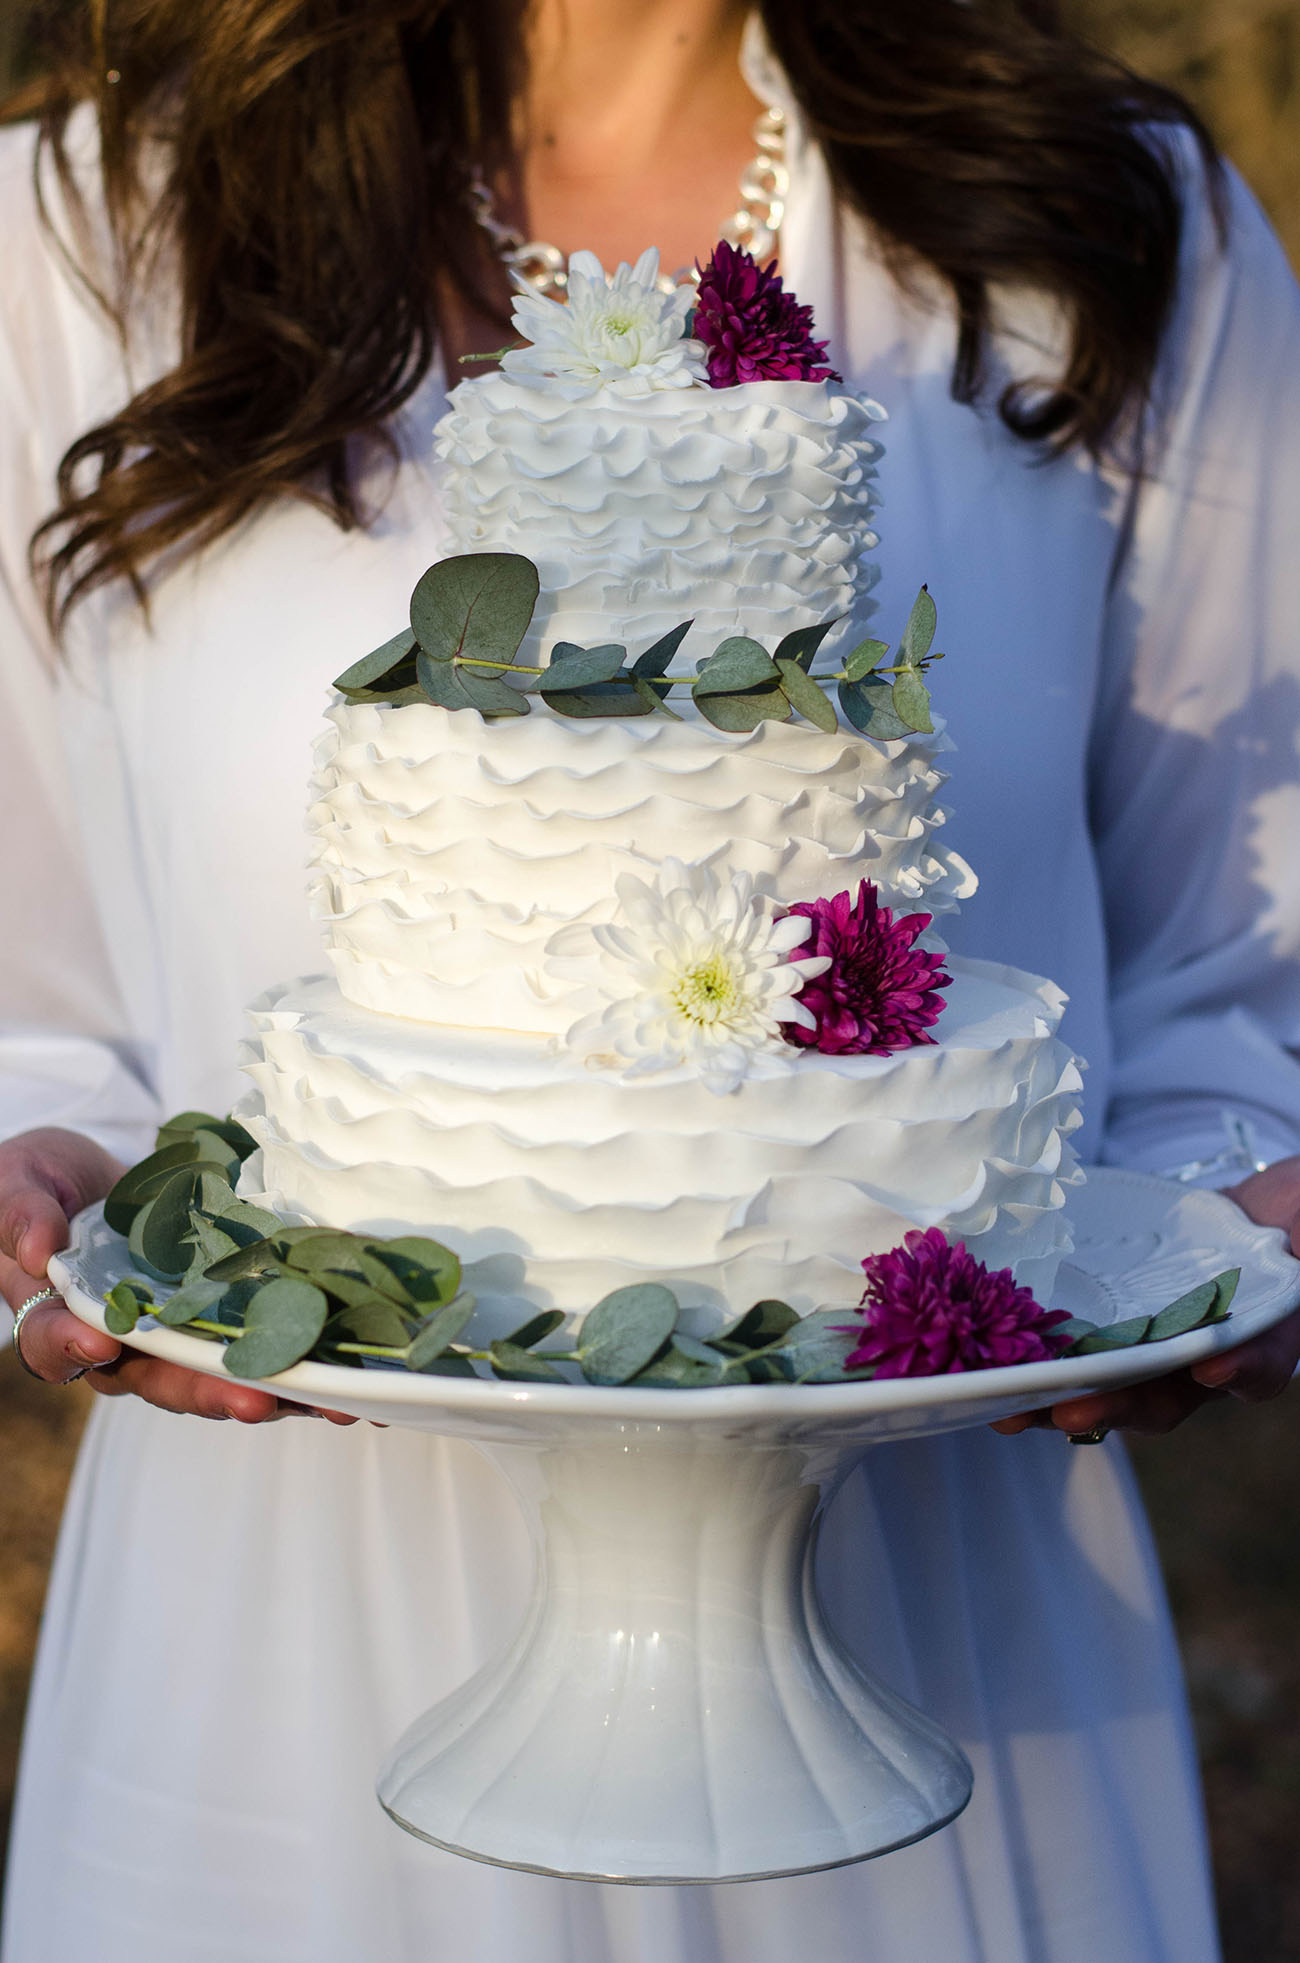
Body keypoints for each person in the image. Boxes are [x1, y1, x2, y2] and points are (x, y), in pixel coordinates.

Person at [2, 0, 1299, 1956]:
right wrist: (48, 1163)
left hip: (934, 1605)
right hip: (287, 1608)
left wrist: (1217, 1223)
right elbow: (33, 972)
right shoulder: (75, 232)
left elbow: (1240, 952)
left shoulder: (1108, 218)